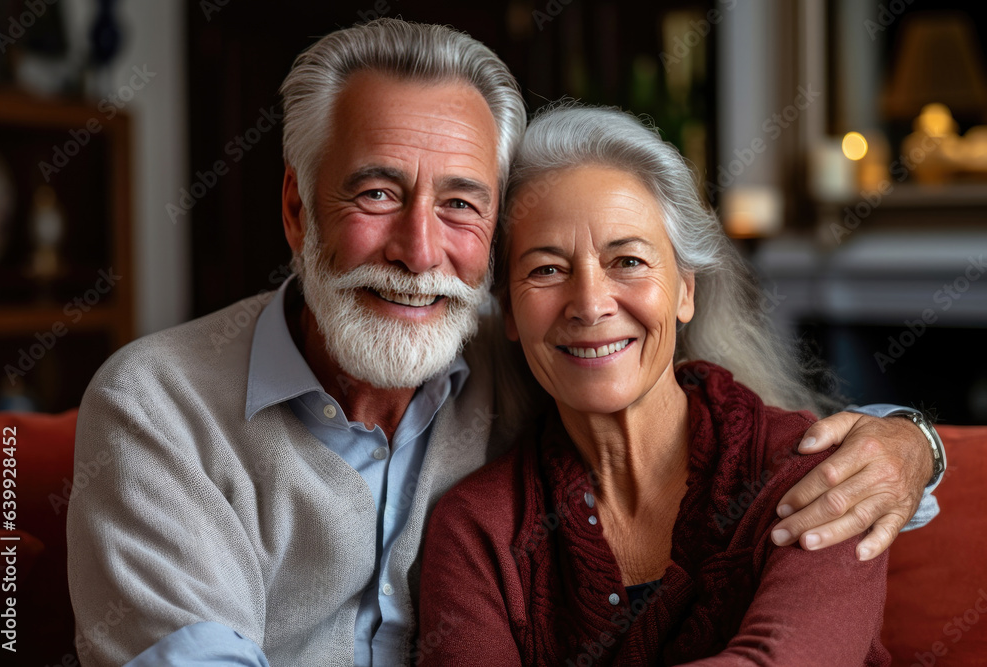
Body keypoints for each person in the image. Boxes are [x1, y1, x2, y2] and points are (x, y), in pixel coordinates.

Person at [66, 19, 942, 667]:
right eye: (375, 193)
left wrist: (913, 442)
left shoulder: (499, 353)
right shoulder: (158, 406)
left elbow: (787, 455)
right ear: (296, 209)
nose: (419, 250)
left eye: (459, 203)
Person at [418, 105, 898, 665]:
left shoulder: (818, 473)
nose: (591, 304)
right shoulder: (477, 529)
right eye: (546, 269)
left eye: (627, 260)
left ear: (685, 291)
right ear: (508, 314)